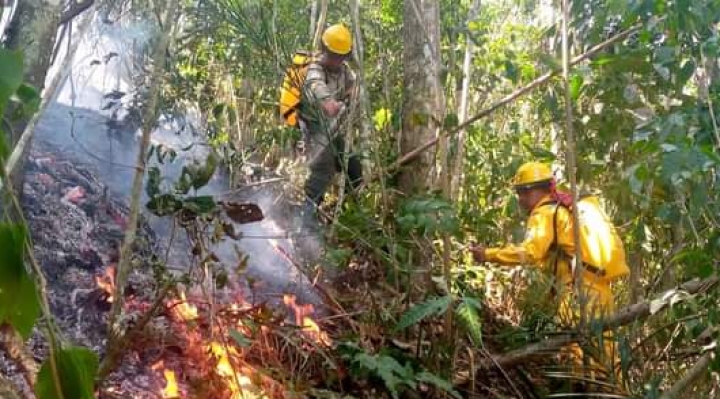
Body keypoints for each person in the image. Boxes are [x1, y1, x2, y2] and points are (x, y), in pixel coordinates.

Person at [469, 161, 628, 388]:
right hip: (599, 286)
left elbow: (530, 253)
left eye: (522, 193)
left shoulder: (544, 212)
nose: (520, 200)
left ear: (534, 191)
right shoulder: (564, 209)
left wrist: (488, 254)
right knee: (607, 355)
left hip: (579, 290)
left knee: (580, 356)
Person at [298, 23, 362, 207]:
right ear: (324, 50)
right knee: (322, 174)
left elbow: (353, 87)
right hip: (314, 132)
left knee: (355, 170)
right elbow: (316, 86)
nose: (337, 61)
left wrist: (353, 94)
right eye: (334, 56)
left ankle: (342, 215)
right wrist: (330, 103)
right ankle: (305, 221)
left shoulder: (344, 71)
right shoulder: (314, 70)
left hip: (334, 132)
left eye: (341, 57)